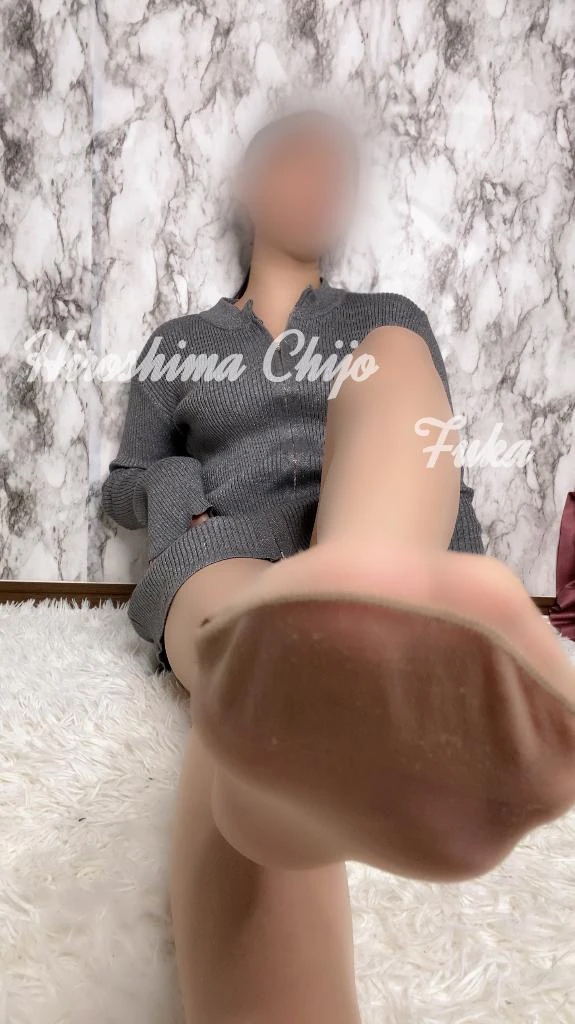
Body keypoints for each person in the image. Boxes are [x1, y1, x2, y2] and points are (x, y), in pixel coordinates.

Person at [101, 109, 575, 1024]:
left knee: (392, 359)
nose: (322, 178)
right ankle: (314, 682)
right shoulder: (180, 341)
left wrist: (445, 551)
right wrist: (177, 491)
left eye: (337, 168)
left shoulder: (384, 316)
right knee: (249, 657)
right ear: (248, 188)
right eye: (297, 159)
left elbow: (432, 456)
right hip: (231, 547)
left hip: (368, 526)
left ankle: (352, 617)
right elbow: (125, 482)